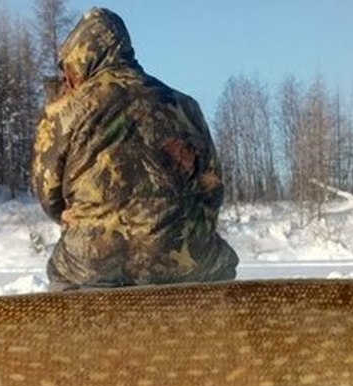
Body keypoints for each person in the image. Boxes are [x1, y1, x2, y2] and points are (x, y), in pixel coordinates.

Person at [32, 7, 240, 290]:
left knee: (64, 273)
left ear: (82, 58)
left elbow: (50, 199)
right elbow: (212, 190)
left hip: (92, 266)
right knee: (217, 264)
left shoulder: (61, 112)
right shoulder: (184, 105)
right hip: (188, 263)